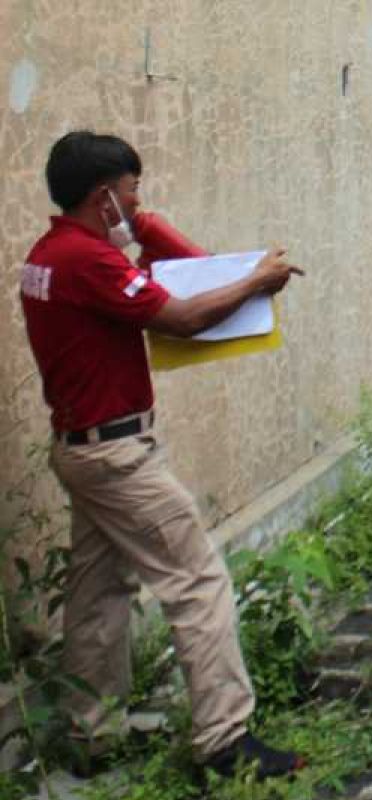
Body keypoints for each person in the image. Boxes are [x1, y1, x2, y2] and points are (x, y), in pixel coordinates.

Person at [18, 131, 304, 779]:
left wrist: (144, 222)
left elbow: (192, 270)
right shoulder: (89, 262)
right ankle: (225, 742)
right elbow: (183, 317)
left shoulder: (52, 252)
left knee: (96, 596)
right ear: (102, 197)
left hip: (84, 448)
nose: (137, 200)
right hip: (119, 457)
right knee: (198, 581)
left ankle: (92, 737)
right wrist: (257, 280)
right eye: (130, 190)